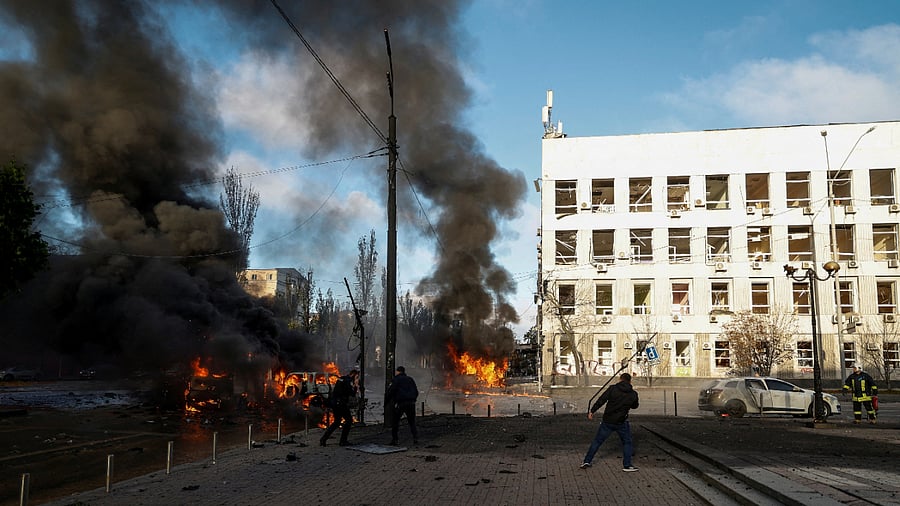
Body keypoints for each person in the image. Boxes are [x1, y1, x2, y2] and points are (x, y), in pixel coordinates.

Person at [580, 372, 640, 472]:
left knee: (597, 441)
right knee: (627, 442)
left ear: (620, 379)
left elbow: (601, 400)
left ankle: (587, 461)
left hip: (608, 421)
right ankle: (627, 465)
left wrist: (592, 411)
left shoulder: (612, 389)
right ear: (630, 381)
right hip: (622, 422)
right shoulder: (633, 394)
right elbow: (635, 406)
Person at [320, 369, 359, 446]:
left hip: (335, 403)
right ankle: (343, 441)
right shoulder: (348, 381)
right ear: (353, 375)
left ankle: (323, 439)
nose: (357, 378)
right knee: (349, 420)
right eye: (357, 376)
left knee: (337, 422)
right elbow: (352, 394)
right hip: (341, 404)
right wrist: (356, 386)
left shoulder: (341, 378)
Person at [386, 366, 419, 445]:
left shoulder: (396, 379)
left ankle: (395, 440)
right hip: (411, 403)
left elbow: (391, 391)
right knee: (412, 422)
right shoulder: (410, 379)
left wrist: (387, 401)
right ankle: (415, 438)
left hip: (401, 403)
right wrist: (413, 399)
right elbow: (416, 391)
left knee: (395, 422)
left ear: (398, 371)